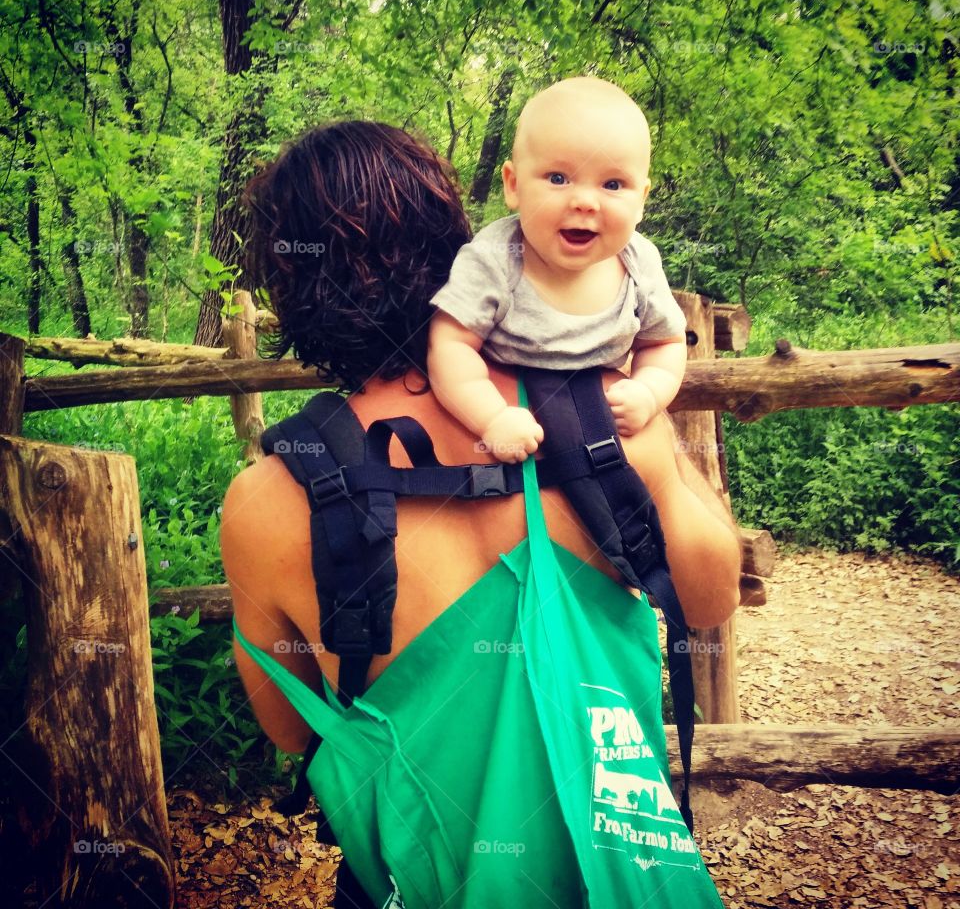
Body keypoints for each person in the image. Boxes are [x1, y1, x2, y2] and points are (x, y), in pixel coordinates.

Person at [222, 119, 741, 907]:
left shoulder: (267, 496)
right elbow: (709, 600)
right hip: (611, 862)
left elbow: (292, 731)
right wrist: (661, 449)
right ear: (463, 245)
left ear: (292, 288)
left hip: (412, 879)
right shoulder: (602, 418)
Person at [429, 76, 686, 463]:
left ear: (641, 201)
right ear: (513, 185)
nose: (584, 201)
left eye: (613, 184)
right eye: (558, 178)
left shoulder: (640, 264)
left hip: (596, 423)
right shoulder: (495, 258)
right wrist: (490, 418)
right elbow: (449, 345)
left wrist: (649, 392)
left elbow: (665, 343)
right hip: (509, 403)